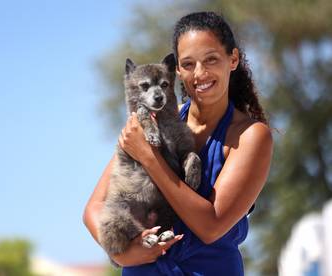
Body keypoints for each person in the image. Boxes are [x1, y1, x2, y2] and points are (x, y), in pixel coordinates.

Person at [83, 11, 273, 276]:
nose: (200, 73)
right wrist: (124, 254)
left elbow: (210, 226)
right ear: (177, 72)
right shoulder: (150, 121)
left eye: (211, 59)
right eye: (188, 64)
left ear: (233, 59)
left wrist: (150, 157)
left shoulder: (251, 136)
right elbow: (94, 209)